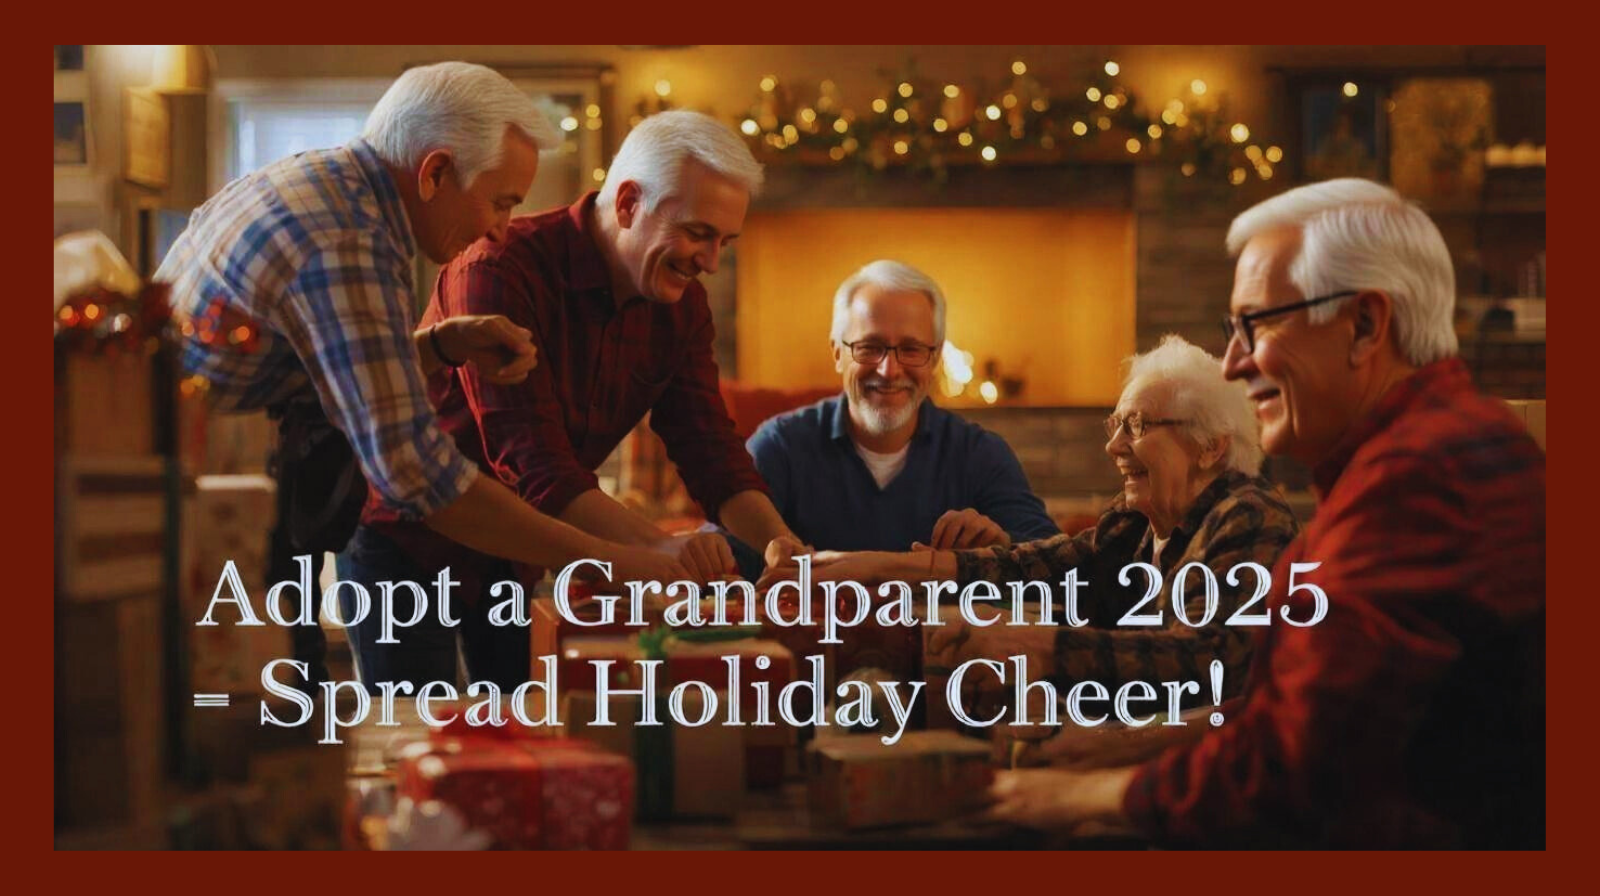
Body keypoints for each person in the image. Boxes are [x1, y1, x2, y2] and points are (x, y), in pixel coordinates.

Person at [987, 179, 1546, 849]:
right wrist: (1132, 742)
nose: (1233, 364)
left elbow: (1300, 767)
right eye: (1232, 331)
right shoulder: (1445, 441)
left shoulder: (1417, 478)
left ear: (1365, 325)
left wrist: (1088, 793)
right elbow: (1319, 707)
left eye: (1256, 325)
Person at [158, 62, 689, 692]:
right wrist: (616, 562)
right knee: (271, 740)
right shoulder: (345, 240)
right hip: (201, 528)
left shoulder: (328, 184)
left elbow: (335, 366)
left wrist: (440, 344)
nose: (499, 228)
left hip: (214, 508)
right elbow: (417, 474)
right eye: (500, 202)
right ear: (435, 172)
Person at [350, 109, 806, 685]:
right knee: (416, 731)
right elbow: (535, 466)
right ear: (628, 204)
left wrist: (787, 552)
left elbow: (711, 448)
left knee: (534, 731)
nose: (711, 262)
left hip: (527, 553)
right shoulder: (498, 269)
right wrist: (660, 551)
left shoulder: (682, 303)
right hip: (410, 543)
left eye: (725, 241)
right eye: (697, 233)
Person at [772, 335, 1297, 729]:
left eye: (1136, 426)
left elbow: (1210, 665)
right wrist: (881, 564)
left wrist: (1043, 648)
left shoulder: (1247, 516)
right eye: (1114, 426)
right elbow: (1050, 567)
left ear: (1211, 447)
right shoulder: (1142, 521)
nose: (1114, 448)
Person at [747, 260, 1059, 554]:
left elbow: (1056, 563)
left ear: (935, 358)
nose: (889, 371)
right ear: (837, 354)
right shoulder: (779, 446)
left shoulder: (980, 453)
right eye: (870, 347)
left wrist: (1002, 545)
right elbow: (723, 560)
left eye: (911, 349)